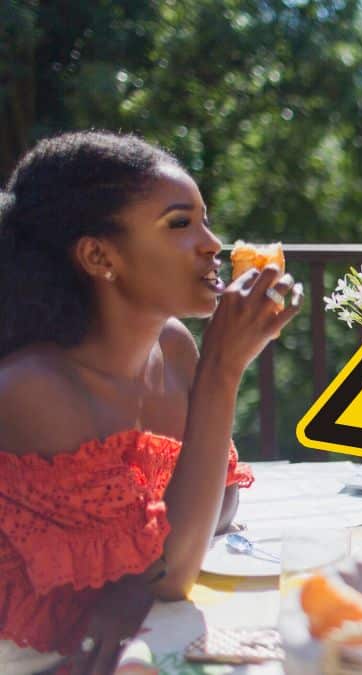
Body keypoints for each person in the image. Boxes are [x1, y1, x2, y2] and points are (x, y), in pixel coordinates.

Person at [0, 131, 301, 675]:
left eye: (205, 220)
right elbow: (170, 574)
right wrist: (223, 370)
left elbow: (219, 505)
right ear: (98, 256)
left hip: (142, 636)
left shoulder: (173, 346)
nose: (213, 244)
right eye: (180, 224)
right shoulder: (31, 390)